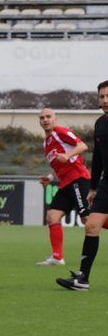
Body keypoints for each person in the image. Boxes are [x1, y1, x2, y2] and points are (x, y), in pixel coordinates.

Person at [57, 81, 108, 290]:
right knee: (91, 225)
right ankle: (82, 278)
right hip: (107, 183)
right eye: (101, 96)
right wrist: (94, 187)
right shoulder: (100, 124)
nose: (105, 100)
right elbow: (97, 158)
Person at [37, 108, 90, 266]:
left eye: (48, 117)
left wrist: (68, 155)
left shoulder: (59, 132)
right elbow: (58, 165)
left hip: (77, 179)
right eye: (42, 118)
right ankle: (57, 257)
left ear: (55, 119)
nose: (45, 120)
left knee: (88, 218)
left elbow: (82, 146)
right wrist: (50, 177)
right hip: (65, 183)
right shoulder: (46, 143)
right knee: (52, 216)